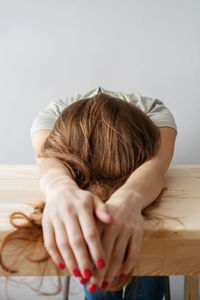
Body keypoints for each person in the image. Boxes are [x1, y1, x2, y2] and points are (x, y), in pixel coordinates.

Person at [29, 86, 177, 299]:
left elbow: (155, 165)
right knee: (92, 228)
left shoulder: (155, 112)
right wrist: (60, 188)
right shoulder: (50, 118)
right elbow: (49, 164)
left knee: (144, 232)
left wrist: (128, 200)